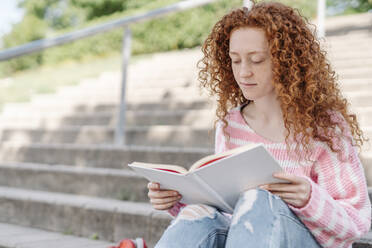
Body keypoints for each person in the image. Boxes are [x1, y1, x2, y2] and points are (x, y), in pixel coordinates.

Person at [147, 2, 371, 247]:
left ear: (286, 61)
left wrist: (310, 198)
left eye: (256, 60)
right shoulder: (230, 125)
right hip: (247, 238)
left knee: (258, 199)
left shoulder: (325, 129)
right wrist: (178, 199)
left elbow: (357, 223)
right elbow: (226, 213)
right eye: (235, 60)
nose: (244, 72)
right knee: (196, 216)